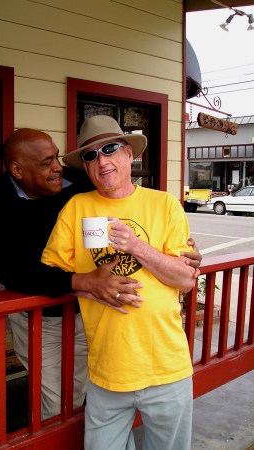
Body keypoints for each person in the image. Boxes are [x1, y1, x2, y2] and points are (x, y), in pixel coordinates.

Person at [41, 115, 198, 449]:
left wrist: (137, 246)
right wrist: (87, 282)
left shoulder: (164, 204)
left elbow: (185, 278)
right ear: (85, 167)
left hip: (166, 368)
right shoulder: (76, 208)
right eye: (90, 155)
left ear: (129, 154)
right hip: (107, 371)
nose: (102, 160)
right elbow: (49, 272)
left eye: (110, 149)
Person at [0, 128, 145, 420]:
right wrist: (83, 281)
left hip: (86, 310)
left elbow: (128, 205)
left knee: (80, 391)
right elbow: (12, 272)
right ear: (17, 169)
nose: (58, 167)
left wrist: (173, 252)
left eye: (57, 157)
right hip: (37, 315)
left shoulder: (80, 182)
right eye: (46, 163)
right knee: (56, 402)